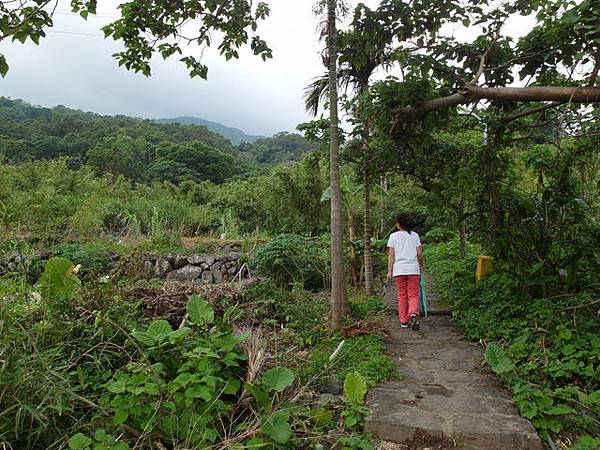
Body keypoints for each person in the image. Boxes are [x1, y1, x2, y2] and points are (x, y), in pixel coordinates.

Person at [387, 213, 424, 330]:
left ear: (398, 224)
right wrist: (420, 265)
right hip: (413, 269)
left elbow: (391, 256)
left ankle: (403, 321)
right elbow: (419, 254)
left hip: (399, 270)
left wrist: (389, 271)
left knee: (402, 295)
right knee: (413, 294)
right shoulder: (415, 236)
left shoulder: (393, 236)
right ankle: (413, 313)